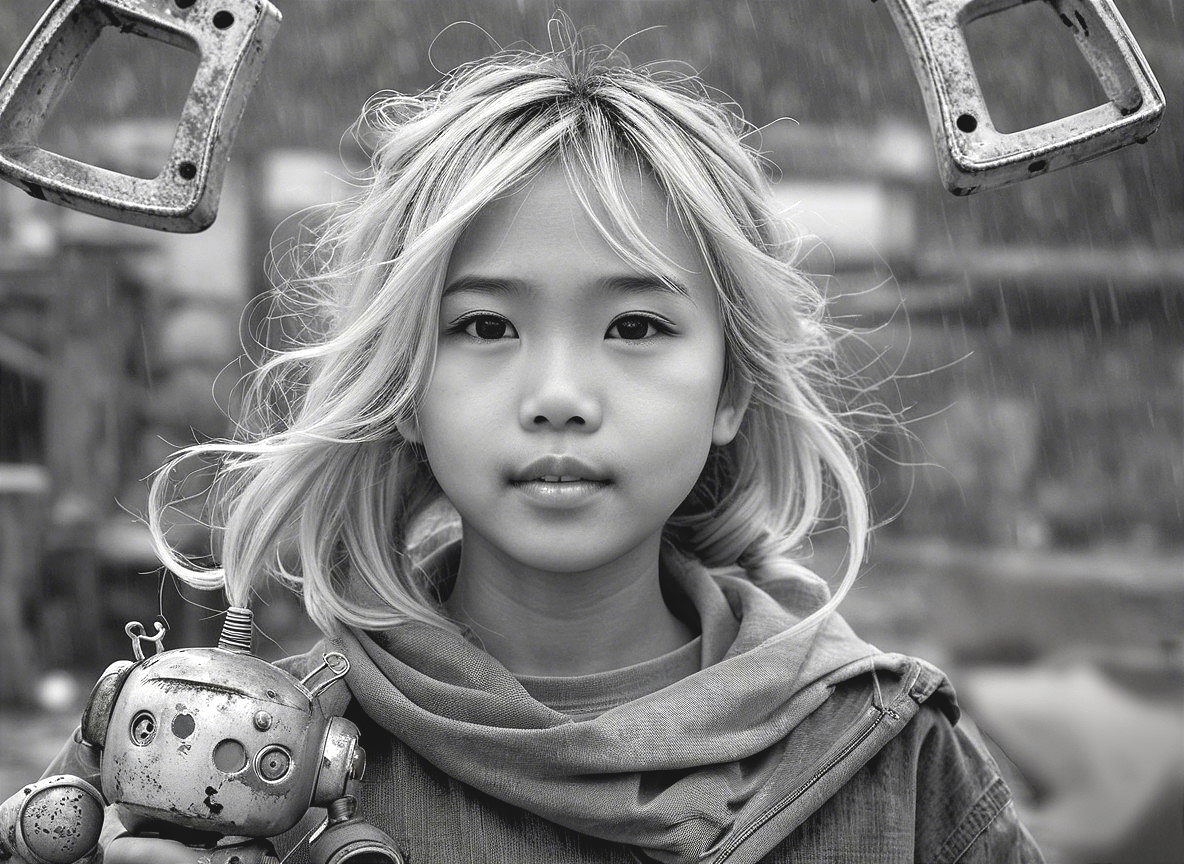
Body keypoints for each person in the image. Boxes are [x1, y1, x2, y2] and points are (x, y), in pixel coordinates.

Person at [31, 32, 1043, 864]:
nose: (558, 397)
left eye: (635, 328)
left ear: (731, 387)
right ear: (407, 388)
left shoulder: (895, 762)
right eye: (484, 327)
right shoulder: (250, 766)